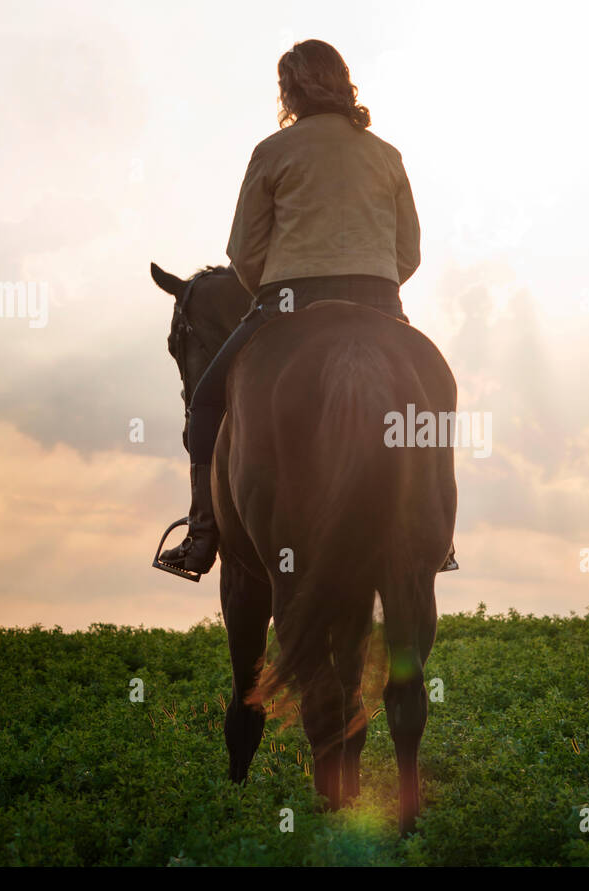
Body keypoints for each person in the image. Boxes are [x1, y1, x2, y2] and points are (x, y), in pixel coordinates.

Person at [156, 39, 457, 578]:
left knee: (204, 403)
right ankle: (437, 536)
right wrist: (373, 292)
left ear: (288, 91)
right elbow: (408, 253)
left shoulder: (272, 151)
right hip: (380, 303)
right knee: (427, 403)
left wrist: (271, 292)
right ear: (345, 82)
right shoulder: (387, 155)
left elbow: (243, 252)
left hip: (286, 305)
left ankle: (202, 535)